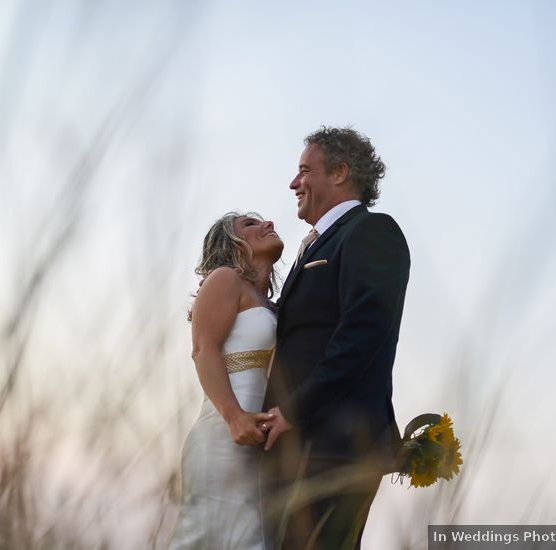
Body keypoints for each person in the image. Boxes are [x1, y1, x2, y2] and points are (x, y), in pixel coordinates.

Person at [259, 127, 411, 549]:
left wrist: (295, 409)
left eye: (305, 170)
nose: (294, 183)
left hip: (336, 444)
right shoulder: (312, 246)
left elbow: (363, 334)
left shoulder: (371, 232)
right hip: (296, 446)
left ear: (341, 172)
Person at [169, 212, 284, 550]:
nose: (268, 224)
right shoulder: (224, 280)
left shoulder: (276, 306)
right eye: (250, 224)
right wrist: (234, 417)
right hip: (223, 435)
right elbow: (203, 350)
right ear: (231, 245)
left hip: (261, 444)